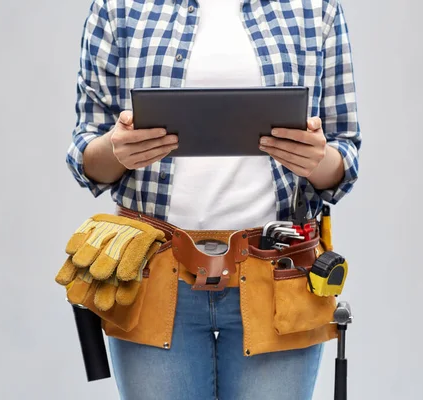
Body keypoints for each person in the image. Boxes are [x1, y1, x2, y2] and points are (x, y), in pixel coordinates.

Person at [65, 0, 361, 398]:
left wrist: (316, 159)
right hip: (153, 273)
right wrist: (115, 150)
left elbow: (344, 154)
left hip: (277, 274)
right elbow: (87, 154)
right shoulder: (118, 7)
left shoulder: (315, 8)